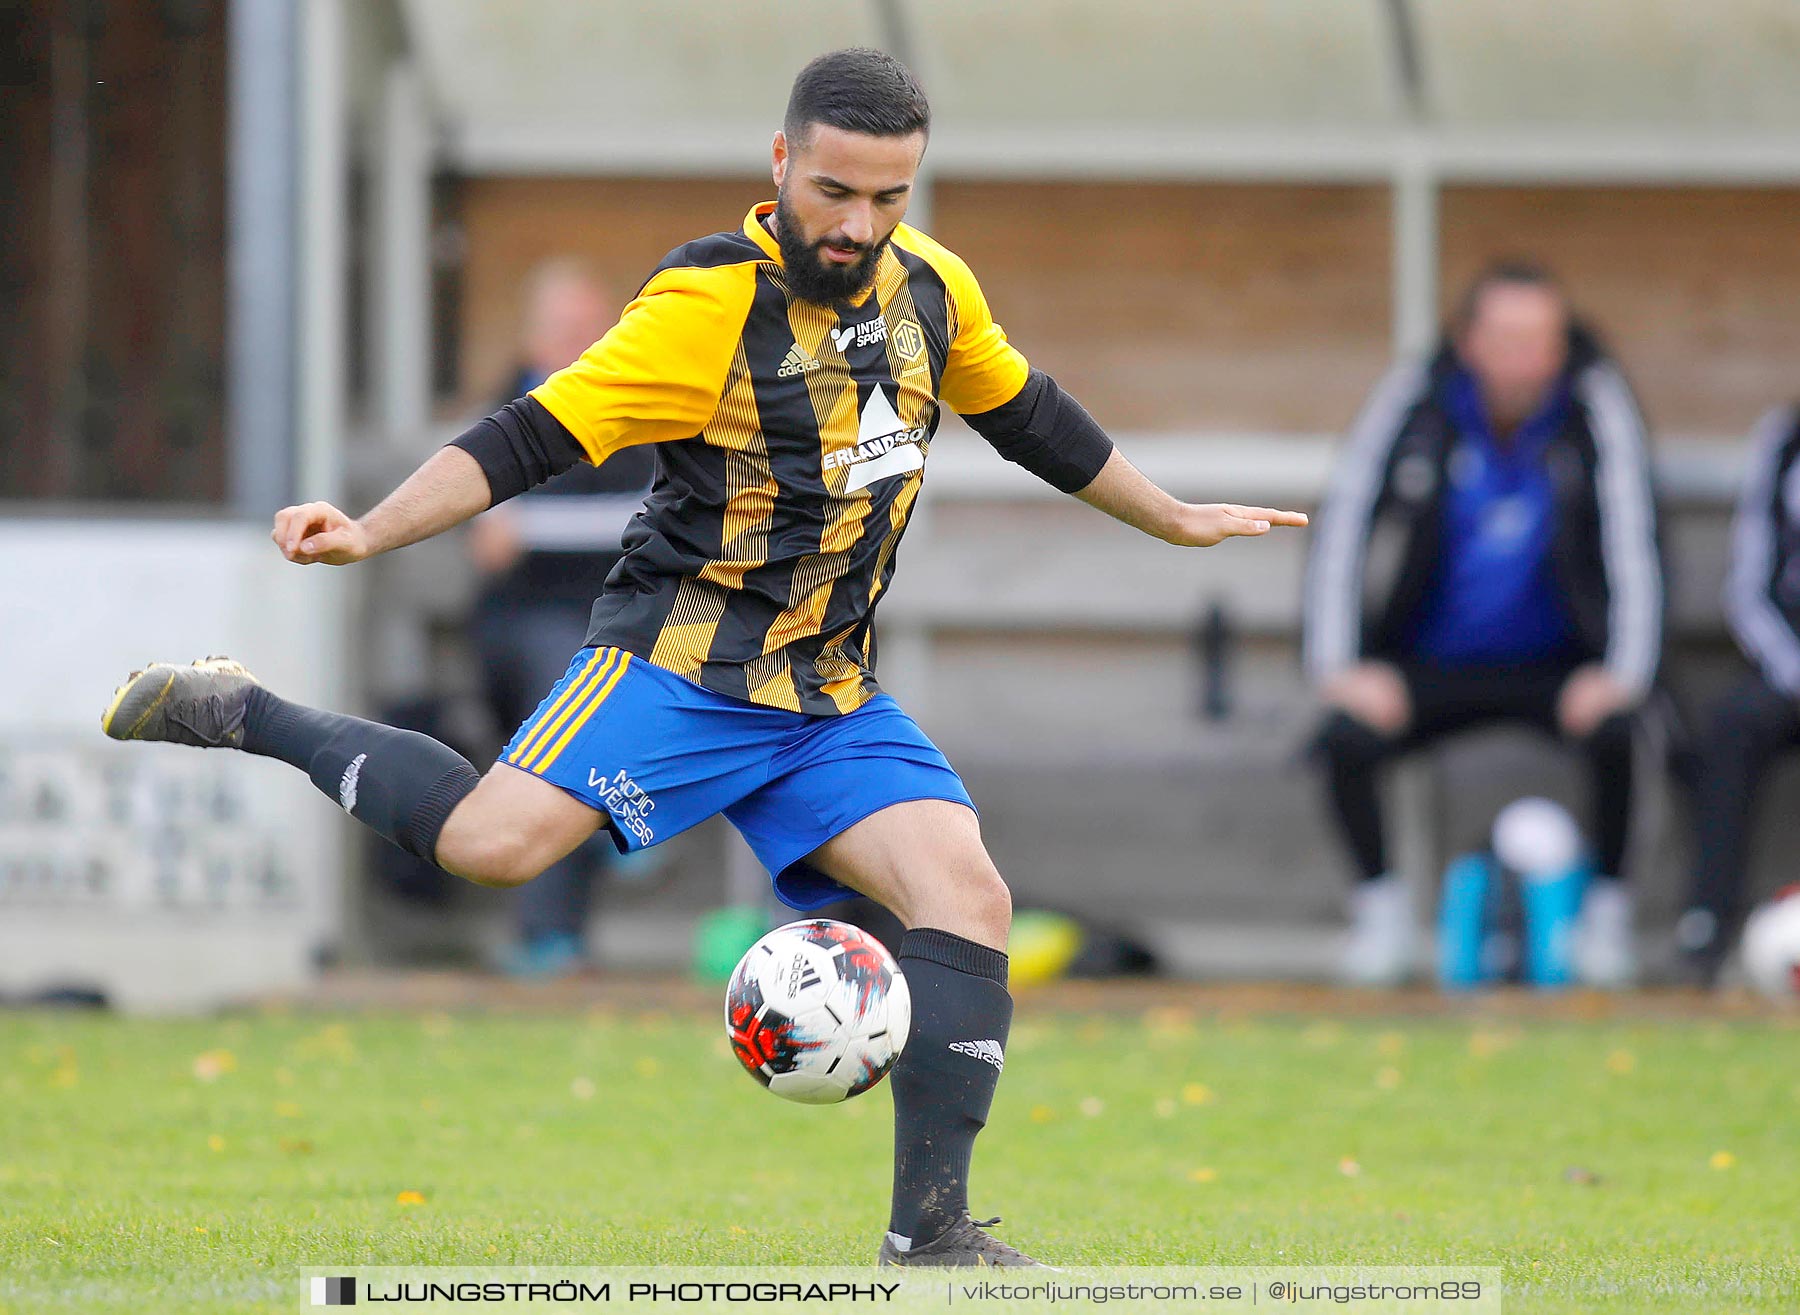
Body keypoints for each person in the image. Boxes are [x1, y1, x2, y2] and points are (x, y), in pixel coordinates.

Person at [102, 49, 1304, 1268]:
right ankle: (243, 710)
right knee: (491, 849)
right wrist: (368, 528)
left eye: (891, 198)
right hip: (678, 665)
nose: (861, 224)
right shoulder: (705, 306)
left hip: (827, 691)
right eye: (837, 192)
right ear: (782, 165)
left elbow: (1030, 415)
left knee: (970, 896)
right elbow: (528, 437)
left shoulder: (931, 290)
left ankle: (929, 1234)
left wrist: (1173, 515)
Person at [1303, 261, 1663, 988]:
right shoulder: (1417, 402)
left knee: (1622, 732)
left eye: (1539, 339)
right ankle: (1384, 921)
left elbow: (1636, 538)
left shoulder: (1595, 408)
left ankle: (1603, 924)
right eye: (1506, 337)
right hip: (1428, 665)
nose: (1522, 357)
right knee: (1343, 739)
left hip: (1558, 666)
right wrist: (1340, 665)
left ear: (1561, 346)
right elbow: (1343, 523)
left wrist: (1620, 673)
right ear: (1469, 340)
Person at [467, 259, 657, 977]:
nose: (585, 341)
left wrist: (532, 525)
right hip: (525, 626)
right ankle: (619, 821)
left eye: (593, 327)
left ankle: (563, 919)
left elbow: (648, 515)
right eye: (569, 329)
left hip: (625, 625)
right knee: (565, 704)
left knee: (592, 701)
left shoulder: (635, 409)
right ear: (536, 338)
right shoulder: (509, 410)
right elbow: (484, 530)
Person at [1674, 403, 1800, 983]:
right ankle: (1707, 927)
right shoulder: (1785, 438)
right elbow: (1751, 584)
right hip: (1788, 663)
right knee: (1732, 723)